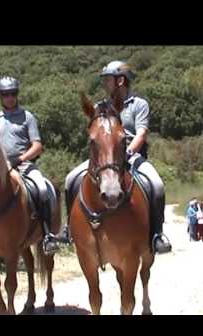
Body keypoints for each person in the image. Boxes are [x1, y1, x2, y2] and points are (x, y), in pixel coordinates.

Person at [59, 60, 171, 253]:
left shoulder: (139, 104)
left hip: (131, 154)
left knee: (157, 185)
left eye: (107, 80)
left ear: (120, 81)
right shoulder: (100, 106)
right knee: (70, 180)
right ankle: (69, 229)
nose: (104, 84)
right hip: (104, 157)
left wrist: (127, 152)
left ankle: (156, 235)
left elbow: (142, 134)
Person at [0, 76, 61, 255]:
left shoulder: (27, 116)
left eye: (13, 93)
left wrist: (20, 159)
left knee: (43, 189)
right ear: (0, 96)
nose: (10, 97)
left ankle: (47, 235)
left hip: (24, 164)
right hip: (0, 167)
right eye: (6, 94)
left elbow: (37, 146)